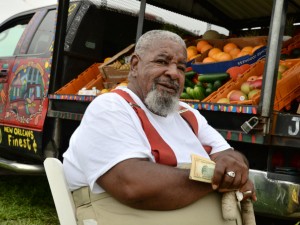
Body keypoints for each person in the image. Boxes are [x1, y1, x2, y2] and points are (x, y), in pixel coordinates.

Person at [63, 30, 256, 225]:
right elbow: (133, 185)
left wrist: (235, 168)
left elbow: (231, 158)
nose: (173, 73)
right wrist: (219, 178)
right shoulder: (110, 107)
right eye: (162, 62)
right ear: (135, 65)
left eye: (181, 67)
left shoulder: (187, 114)